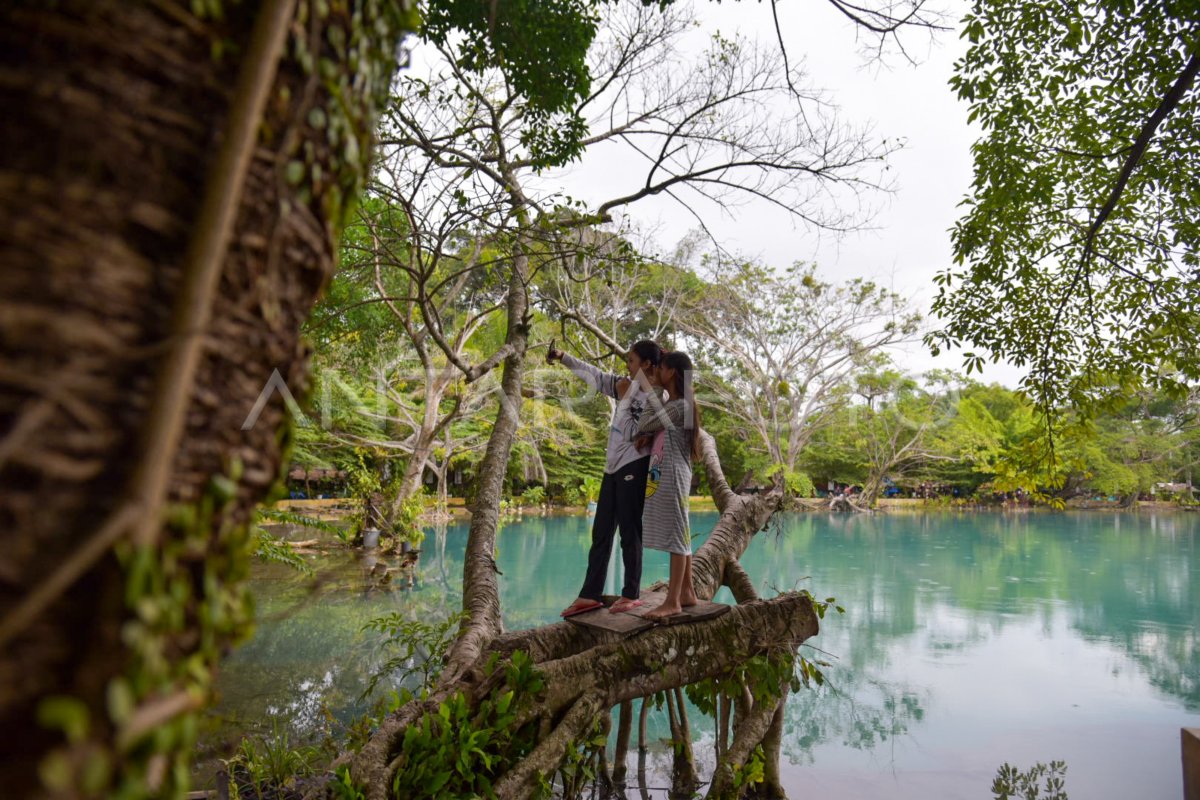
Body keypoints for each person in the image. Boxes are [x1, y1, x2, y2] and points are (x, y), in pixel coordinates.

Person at [549, 339, 663, 616]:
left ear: (647, 364)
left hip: (634, 466)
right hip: (611, 467)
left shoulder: (659, 394)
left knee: (629, 530)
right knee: (601, 531)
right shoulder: (625, 386)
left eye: (632, 361)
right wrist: (563, 356)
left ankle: (631, 593)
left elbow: (669, 418)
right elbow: (594, 375)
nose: (627, 366)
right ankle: (590, 594)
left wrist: (648, 429)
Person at [636, 350, 701, 620]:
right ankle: (686, 592)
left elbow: (645, 422)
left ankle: (672, 601)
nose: (657, 373)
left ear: (672, 372)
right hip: (670, 473)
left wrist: (650, 391)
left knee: (677, 534)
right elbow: (652, 429)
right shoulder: (675, 405)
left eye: (660, 368)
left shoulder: (680, 407)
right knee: (681, 532)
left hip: (674, 474)